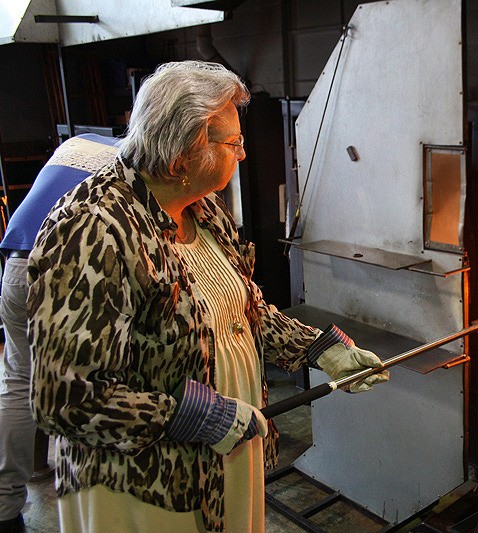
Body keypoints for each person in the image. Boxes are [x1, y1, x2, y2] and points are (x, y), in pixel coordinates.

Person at [26, 60, 389, 533]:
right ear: (181, 156)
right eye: (233, 143)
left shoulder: (202, 209)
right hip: (146, 482)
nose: (242, 156)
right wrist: (193, 415)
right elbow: (65, 398)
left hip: (224, 450)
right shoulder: (93, 230)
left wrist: (323, 350)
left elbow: (244, 310)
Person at [0, 134, 119, 533]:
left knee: (19, 378)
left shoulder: (78, 142)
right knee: (86, 385)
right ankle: (95, 504)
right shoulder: (138, 158)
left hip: (16, 266)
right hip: (64, 271)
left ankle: (5, 505)